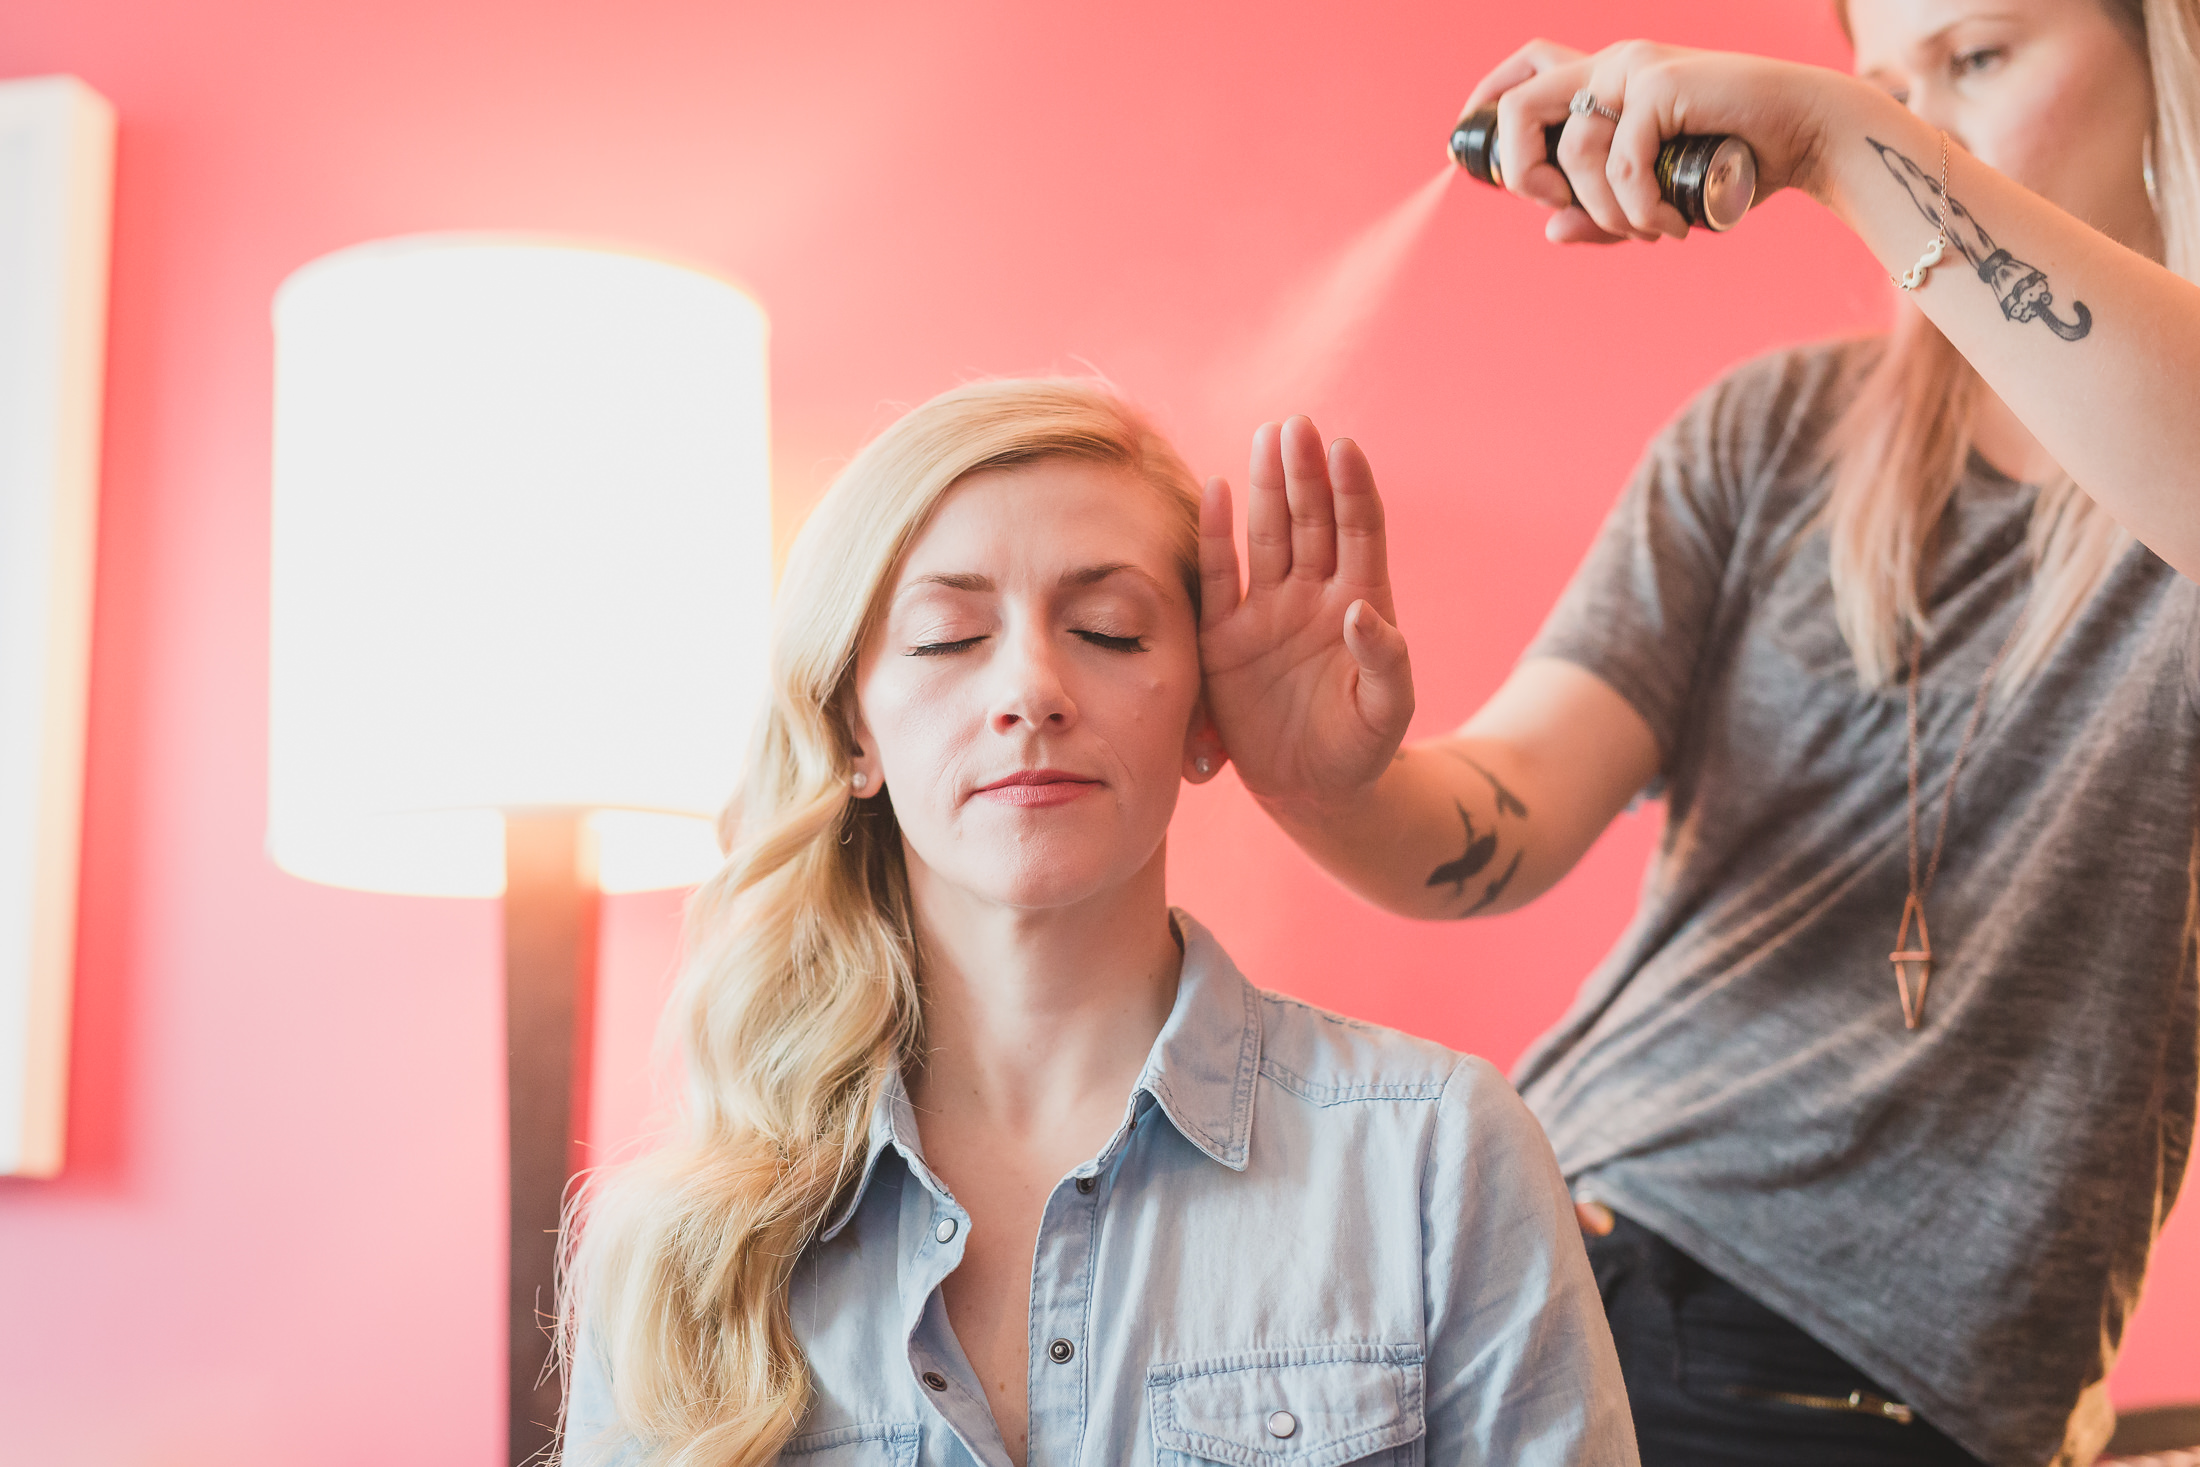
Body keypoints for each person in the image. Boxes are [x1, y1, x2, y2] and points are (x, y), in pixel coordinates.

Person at [1195, 2, 2200, 1464]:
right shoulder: (1769, 435)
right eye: (1886, 84)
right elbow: (1507, 809)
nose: (1920, 119)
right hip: (1520, 1228)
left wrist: (1841, 135)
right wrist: (1330, 783)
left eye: (1975, 60)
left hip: (1836, 1384)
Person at [555, 379, 1637, 1467]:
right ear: (852, 731)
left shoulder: (1433, 1155)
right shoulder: (680, 1248)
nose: (1032, 688)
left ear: (1206, 711)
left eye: (1106, 631)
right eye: (945, 639)